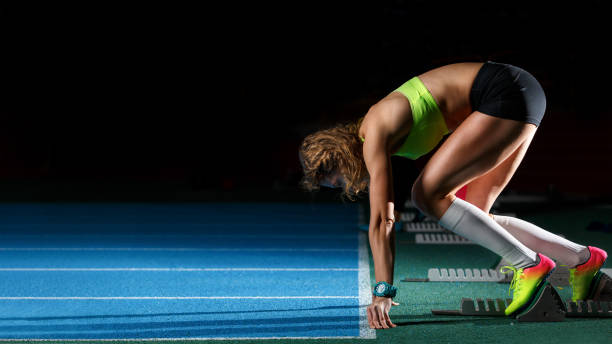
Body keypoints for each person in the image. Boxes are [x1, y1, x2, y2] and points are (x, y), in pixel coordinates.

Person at [298, 61, 608, 329]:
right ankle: (581, 259)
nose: (348, 187)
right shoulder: (378, 128)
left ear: (340, 157)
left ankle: (528, 264)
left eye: (339, 181)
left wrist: (383, 291)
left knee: (425, 194)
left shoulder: (374, 130)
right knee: (475, 216)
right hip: (519, 94)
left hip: (504, 92)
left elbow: (382, 219)